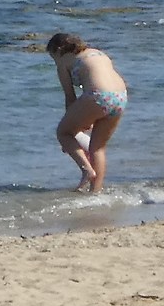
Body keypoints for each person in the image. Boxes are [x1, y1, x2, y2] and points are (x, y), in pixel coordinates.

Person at [46, 32, 128, 194]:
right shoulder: (97, 53)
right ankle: (95, 192)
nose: (55, 61)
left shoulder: (63, 62)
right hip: (120, 96)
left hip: (98, 95)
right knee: (97, 148)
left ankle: (86, 170)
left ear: (59, 50)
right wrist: (83, 119)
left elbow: (70, 97)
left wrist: (72, 130)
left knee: (63, 133)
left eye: (53, 57)